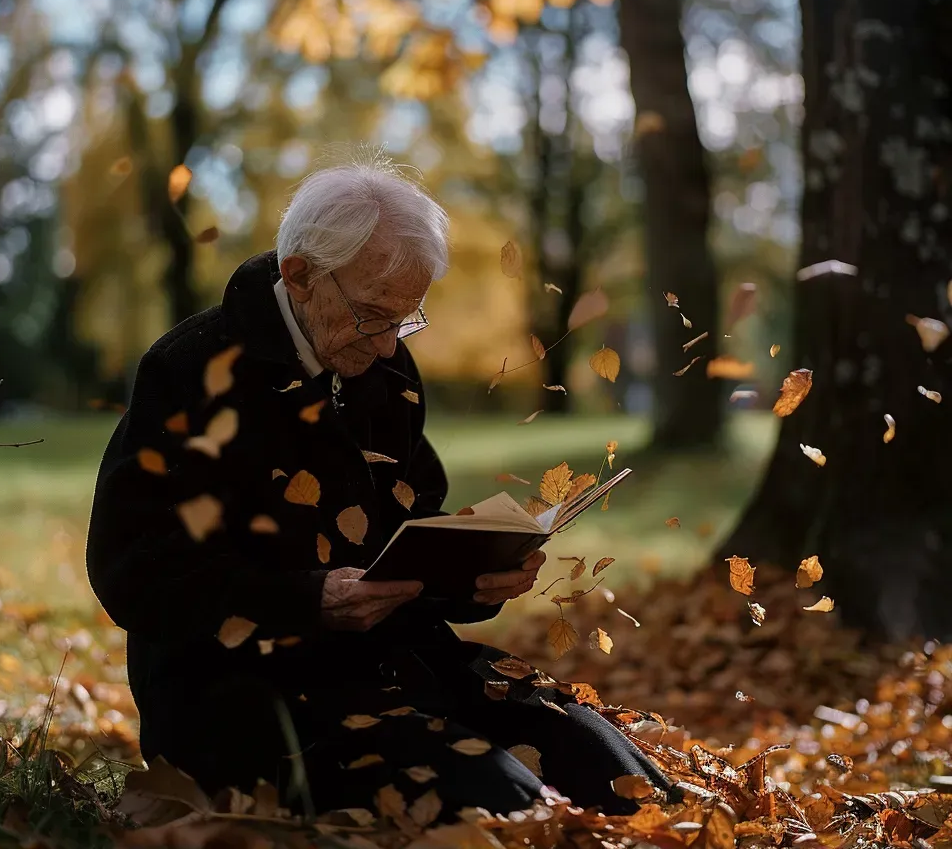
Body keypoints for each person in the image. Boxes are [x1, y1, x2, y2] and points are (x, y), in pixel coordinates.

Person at [86, 158, 672, 821]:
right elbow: (134, 570)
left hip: (395, 663)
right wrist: (310, 599)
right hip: (240, 693)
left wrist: (474, 577)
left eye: (406, 318)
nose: (392, 345)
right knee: (506, 802)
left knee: (601, 761)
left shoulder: (381, 367)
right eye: (372, 315)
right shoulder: (191, 370)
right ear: (299, 276)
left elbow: (411, 527)